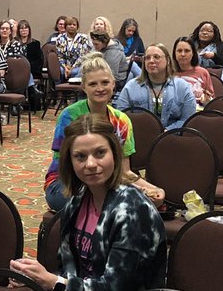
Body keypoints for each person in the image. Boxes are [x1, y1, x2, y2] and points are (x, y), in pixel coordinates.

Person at [12, 113, 166, 291]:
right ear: (69, 162)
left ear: (115, 154)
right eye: (80, 157)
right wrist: (36, 281)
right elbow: (70, 270)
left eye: (99, 153)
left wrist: (54, 282)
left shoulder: (132, 210)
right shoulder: (77, 200)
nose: (90, 164)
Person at [44, 53, 162, 212]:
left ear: (113, 84)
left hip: (106, 181)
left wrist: (153, 189)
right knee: (116, 201)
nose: (100, 89)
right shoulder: (69, 116)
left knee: (146, 198)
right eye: (93, 84)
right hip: (65, 184)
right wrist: (130, 190)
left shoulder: (122, 121)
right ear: (84, 87)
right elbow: (67, 167)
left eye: (105, 82)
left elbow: (124, 171)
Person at [115, 42, 196, 131]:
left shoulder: (183, 87)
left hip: (172, 138)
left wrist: (166, 131)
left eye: (156, 57)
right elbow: (121, 117)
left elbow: (188, 120)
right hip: (139, 137)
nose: (151, 61)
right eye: (147, 58)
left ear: (168, 60)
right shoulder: (131, 87)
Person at [171, 37, 214, 104]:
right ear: (174, 54)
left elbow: (211, 99)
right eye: (179, 51)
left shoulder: (203, 72)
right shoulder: (168, 73)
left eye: (187, 51)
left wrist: (206, 100)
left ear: (193, 53)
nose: (183, 54)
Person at [89, 17, 128, 83]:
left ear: (104, 42)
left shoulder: (114, 53)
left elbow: (111, 75)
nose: (94, 47)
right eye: (93, 44)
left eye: (96, 44)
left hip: (116, 80)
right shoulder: (99, 46)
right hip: (99, 75)